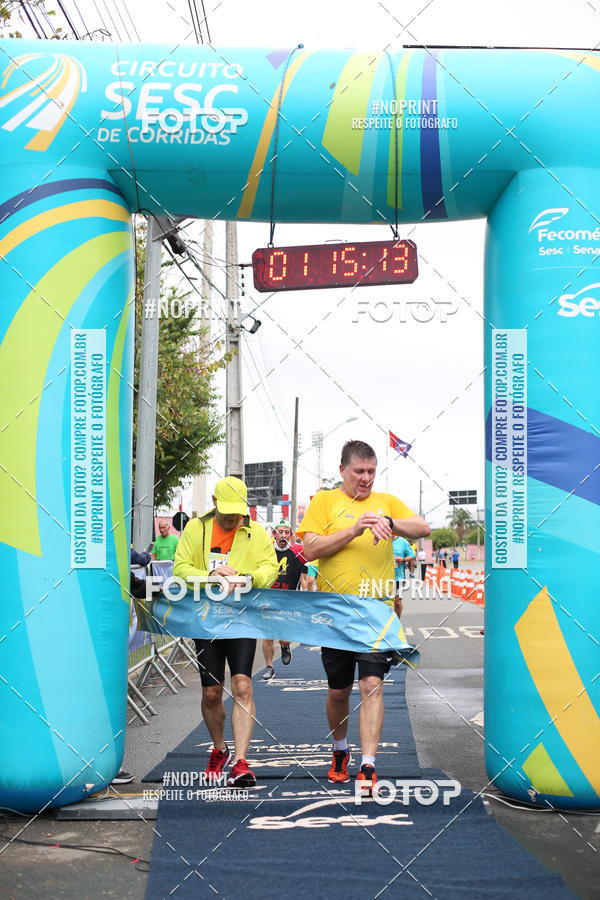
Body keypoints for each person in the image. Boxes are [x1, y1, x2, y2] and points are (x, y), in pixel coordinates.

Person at [297, 440, 430, 792]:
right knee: (338, 692)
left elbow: (423, 528)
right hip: (336, 614)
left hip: (376, 613)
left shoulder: (385, 502)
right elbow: (310, 549)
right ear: (343, 470)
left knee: (372, 686)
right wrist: (354, 529)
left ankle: (368, 765)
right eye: (359, 471)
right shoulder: (325, 502)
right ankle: (340, 750)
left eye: (372, 471)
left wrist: (391, 522)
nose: (366, 478)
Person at [173, 476, 278, 788]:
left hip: (242, 617)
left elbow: (270, 568)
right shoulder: (196, 528)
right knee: (211, 692)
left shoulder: (256, 532)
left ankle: (241, 762)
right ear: (215, 503)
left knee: (243, 685)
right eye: (228, 511)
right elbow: (180, 569)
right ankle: (220, 749)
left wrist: (247, 578)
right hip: (206, 619)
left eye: (238, 512)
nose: (233, 518)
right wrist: (210, 574)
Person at [261, 520, 308, 680]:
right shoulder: (266, 551)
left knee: (285, 638)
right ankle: (269, 667)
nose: (283, 536)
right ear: (274, 534)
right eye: (280, 532)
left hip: (289, 600)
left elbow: (316, 556)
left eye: (286, 532)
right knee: (268, 636)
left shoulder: (298, 551)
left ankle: (285, 645)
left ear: (291, 535)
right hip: (269, 599)